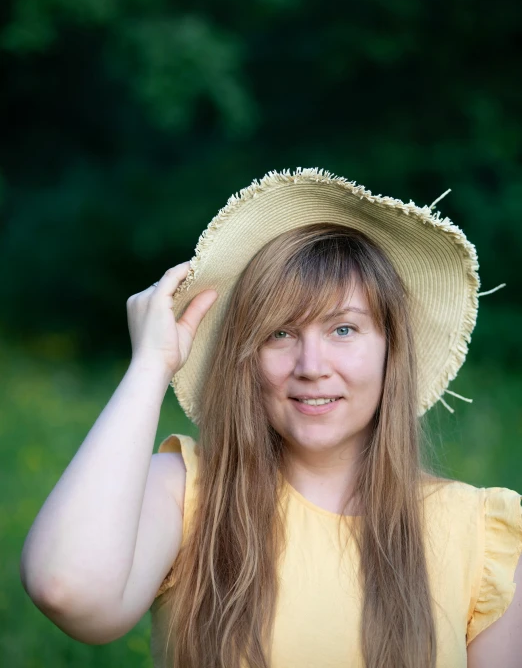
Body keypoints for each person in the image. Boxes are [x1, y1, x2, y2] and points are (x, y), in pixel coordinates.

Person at [20, 168, 522, 668]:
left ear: (393, 351)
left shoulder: (481, 535)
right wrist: (149, 366)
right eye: (280, 334)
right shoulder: (186, 494)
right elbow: (68, 591)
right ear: (246, 356)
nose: (311, 367)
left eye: (343, 330)